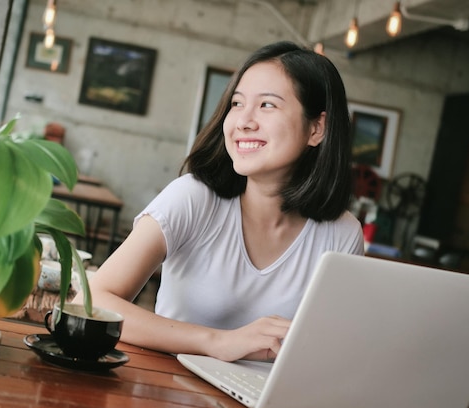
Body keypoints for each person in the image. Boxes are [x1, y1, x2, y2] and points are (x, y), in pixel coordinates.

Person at [73, 41, 364, 362]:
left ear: (316, 128)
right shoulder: (192, 197)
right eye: (237, 103)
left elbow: (335, 354)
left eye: (267, 105)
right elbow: (96, 299)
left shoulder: (342, 234)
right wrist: (217, 341)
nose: (243, 121)